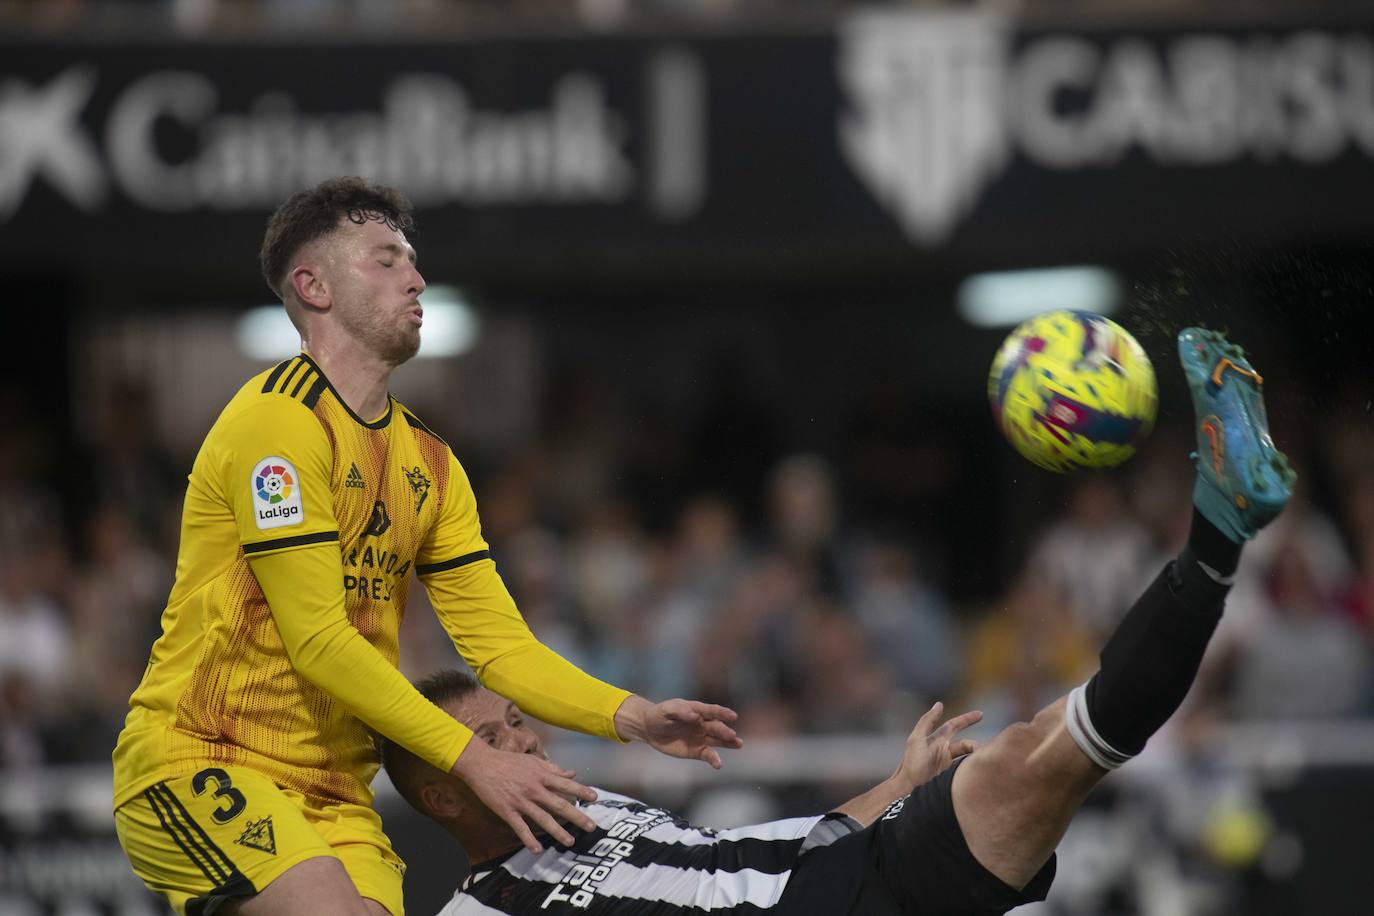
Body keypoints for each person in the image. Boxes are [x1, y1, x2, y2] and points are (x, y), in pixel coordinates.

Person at [383, 327, 1296, 914]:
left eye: (514, 722)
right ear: (441, 793)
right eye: (495, 741)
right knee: (1044, 755)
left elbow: (755, 858)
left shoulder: (592, 806)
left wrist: (895, 787)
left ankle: (1218, 526)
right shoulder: (479, 911)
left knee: (1044, 747)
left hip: (844, 884)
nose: (528, 741)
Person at [111, 177, 741, 916]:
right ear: (313, 286)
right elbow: (317, 641)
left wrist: (635, 717)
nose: (415, 277)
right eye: (385, 261)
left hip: (337, 796)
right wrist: (476, 761)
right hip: (203, 758)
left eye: (411, 259)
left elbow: (500, 649)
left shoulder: (431, 464)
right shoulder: (276, 427)